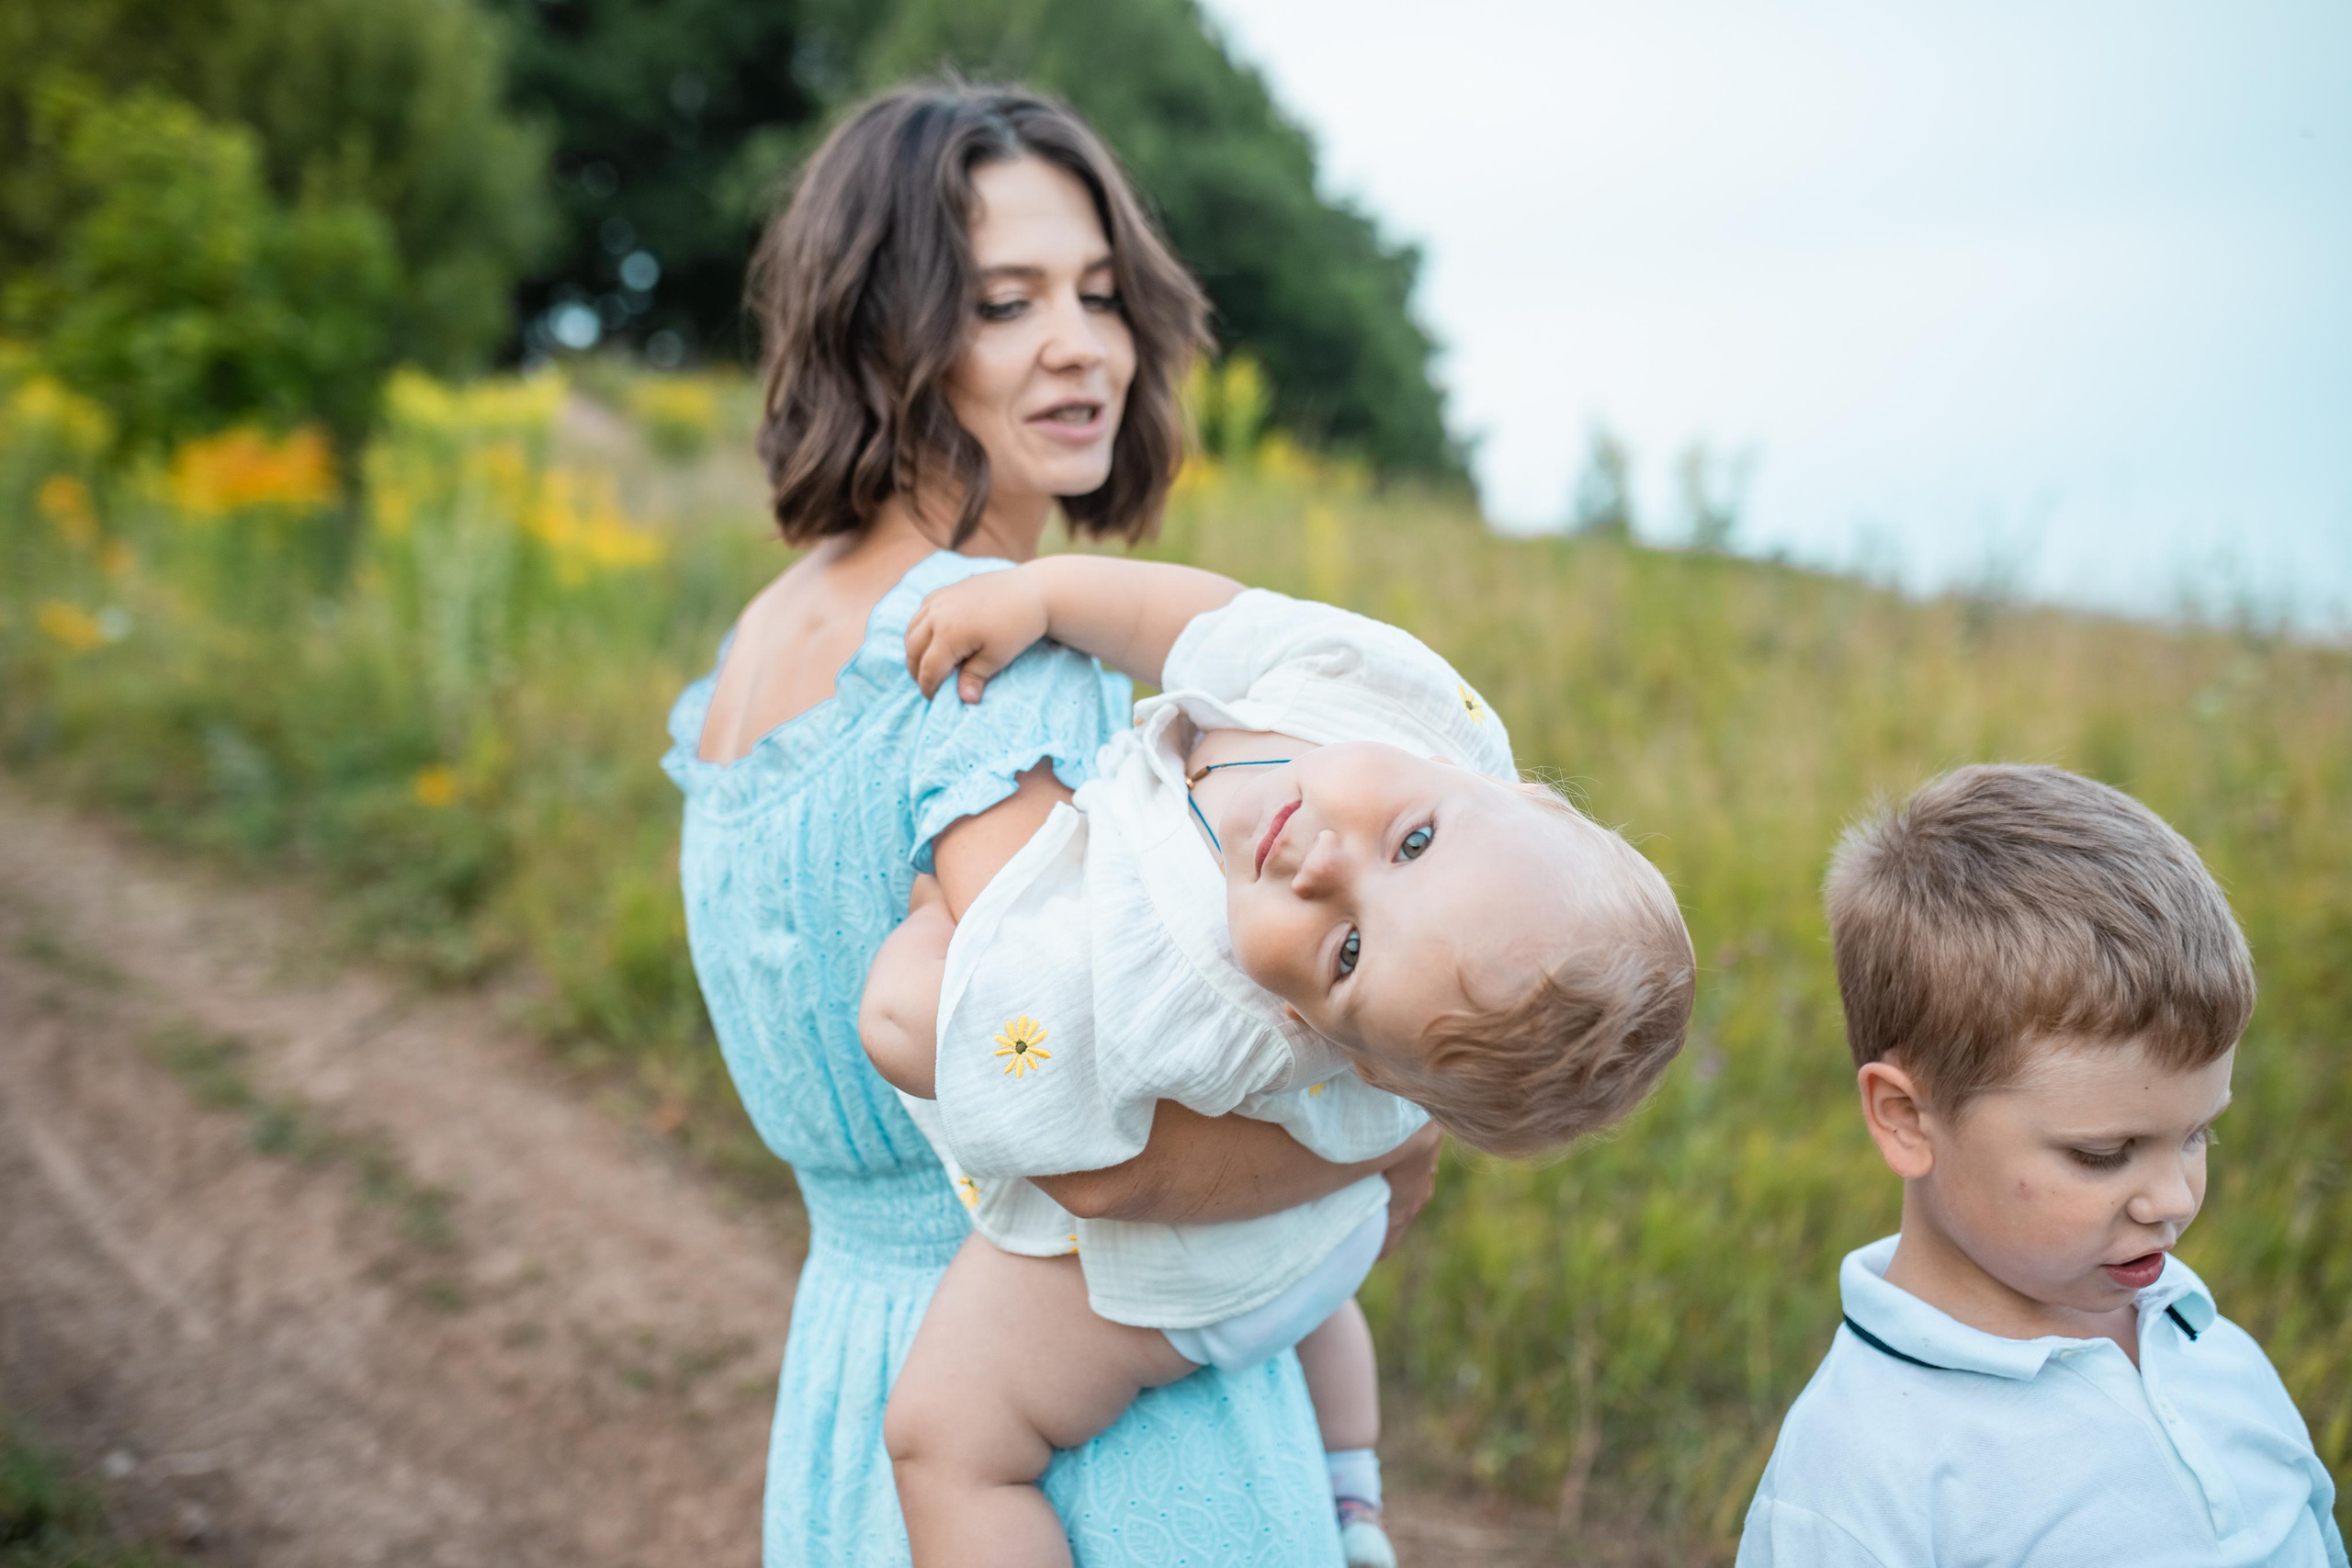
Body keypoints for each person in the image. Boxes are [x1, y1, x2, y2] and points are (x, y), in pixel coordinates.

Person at [663, 81, 1440, 1566]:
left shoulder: (759, 644)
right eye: (1005, 303)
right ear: (881, 330)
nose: (1081, 343)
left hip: (857, 1371)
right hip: (1091, 1421)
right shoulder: (998, 660)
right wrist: (1382, 1136)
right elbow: (1088, 1133)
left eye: (1099, 292)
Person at [859, 555, 1696, 1568]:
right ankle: (1352, 1491)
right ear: (1519, 790)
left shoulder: (1195, 997)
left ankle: (1322, 1478)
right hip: (1343, 1224)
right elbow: (1215, 620)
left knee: (946, 1437)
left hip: (1207, 1261)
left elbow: (915, 1032)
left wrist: (928, 923)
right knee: (1322, 1288)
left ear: (1345, 1050)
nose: (1324, 863)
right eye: (1414, 842)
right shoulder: (1412, 702)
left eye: (1348, 950)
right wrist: (1044, 593)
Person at [1737, 764, 2347, 1567]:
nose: (2173, 1199)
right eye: (2103, 1154)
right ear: (1906, 1118)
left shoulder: (2203, 1340)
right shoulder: (1858, 1478)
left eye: (2199, 1134)